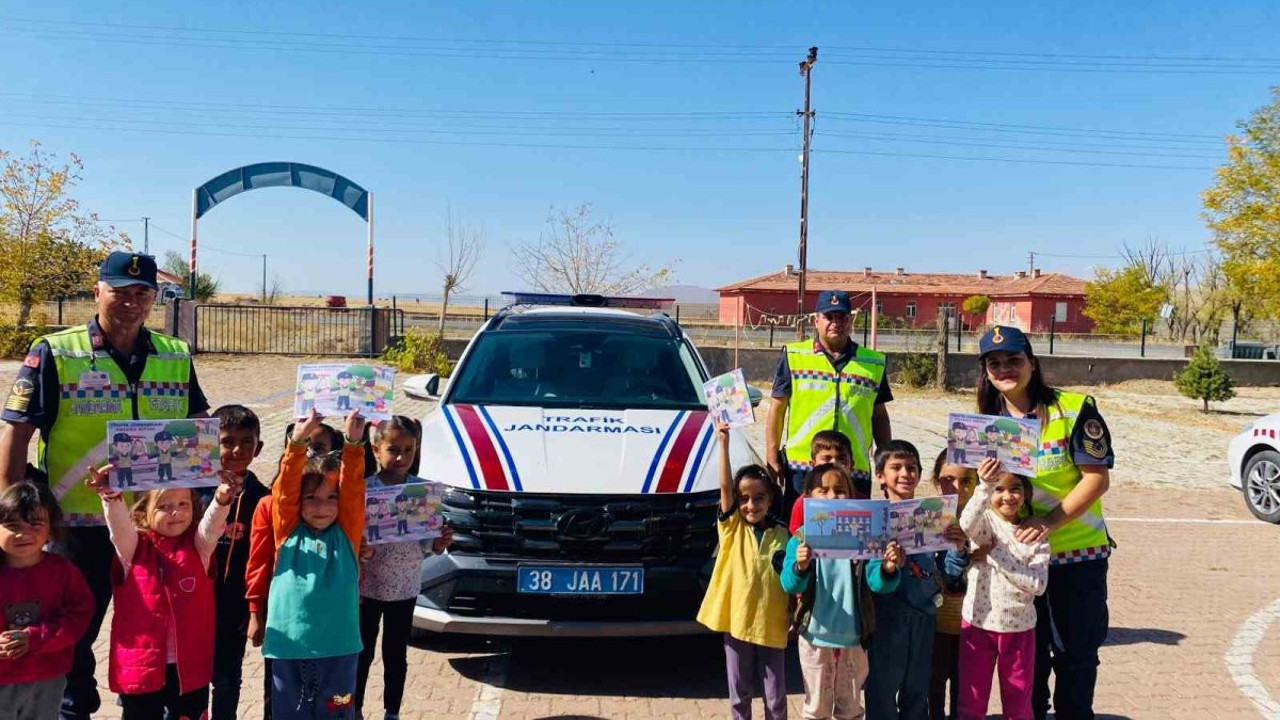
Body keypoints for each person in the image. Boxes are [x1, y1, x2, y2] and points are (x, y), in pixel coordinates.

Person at [0, 251, 210, 720]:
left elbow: (199, 425)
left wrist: (205, 491)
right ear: (97, 291)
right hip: (77, 527)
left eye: (142, 293)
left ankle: (142, 705)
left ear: (154, 298)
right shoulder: (55, 351)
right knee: (75, 631)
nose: (130, 302)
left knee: (155, 633)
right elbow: (16, 431)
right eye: (119, 291)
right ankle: (72, 710)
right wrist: (16, 515)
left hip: (157, 530)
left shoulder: (174, 355)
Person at [973, 326, 1114, 720]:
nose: (1005, 368)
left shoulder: (1073, 409)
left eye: (1013, 360)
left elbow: (1096, 478)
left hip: (1075, 557)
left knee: (1076, 658)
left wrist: (1049, 522)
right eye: (994, 363)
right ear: (985, 371)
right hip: (1016, 563)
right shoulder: (984, 423)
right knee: (1026, 667)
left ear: (1032, 363)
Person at [86, 462, 239, 720]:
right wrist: (111, 496)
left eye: (183, 505)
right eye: (164, 506)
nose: (175, 513)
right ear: (144, 512)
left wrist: (222, 500)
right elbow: (118, 527)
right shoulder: (133, 549)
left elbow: (212, 528)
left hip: (188, 668)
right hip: (141, 666)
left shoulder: (198, 548)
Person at [264, 409, 366, 720]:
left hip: (339, 648)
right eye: (311, 498)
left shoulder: (347, 531)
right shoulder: (287, 532)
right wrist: (297, 441)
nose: (322, 507)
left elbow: (352, 487)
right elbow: (284, 490)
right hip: (288, 647)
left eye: (330, 498)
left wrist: (353, 441)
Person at [781, 463, 903, 720]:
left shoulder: (865, 536)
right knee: (816, 709)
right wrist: (801, 566)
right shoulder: (800, 539)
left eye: (839, 490)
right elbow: (789, 584)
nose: (832, 496)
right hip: (815, 637)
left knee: (850, 709)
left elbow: (877, 583)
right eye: (822, 490)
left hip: (854, 638)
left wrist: (888, 568)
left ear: (851, 496)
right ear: (808, 498)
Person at [355, 417, 453, 720]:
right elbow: (352, 536)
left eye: (408, 450)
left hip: (405, 587)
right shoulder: (363, 490)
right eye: (393, 449)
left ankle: (392, 711)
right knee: (361, 653)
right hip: (366, 587)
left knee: (395, 654)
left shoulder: (421, 492)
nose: (401, 457)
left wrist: (439, 543)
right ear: (376, 449)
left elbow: (428, 546)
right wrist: (363, 551)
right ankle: (353, 707)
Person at [765, 290, 893, 511]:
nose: (836, 322)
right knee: (801, 533)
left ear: (850, 321)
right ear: (816, 320)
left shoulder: (873, 363)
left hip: (854, 468)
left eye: (841, 316)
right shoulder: (794, 356)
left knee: (852, 534)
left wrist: (886, 462)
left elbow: (879, 416)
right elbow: (777, 409)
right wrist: (771, 453)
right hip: (803, 467)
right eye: (829, 316)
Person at [697, 422, 790, 720]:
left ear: (771, 499)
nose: (751, 505)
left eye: (759, 498)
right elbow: (725, 486)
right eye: (744, 498)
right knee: (740, 694)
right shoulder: (732, 527)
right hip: (736, 620)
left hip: (772, 622)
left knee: (775, 697)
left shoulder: (784, 534)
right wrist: (722, 443)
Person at [865, 440, 963, 720]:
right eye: (896, 467)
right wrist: (890, 567)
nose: (905, 473)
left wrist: (958, 548)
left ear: (920, 474)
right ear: (880, 475)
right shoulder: (875, 519)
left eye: (911, 467)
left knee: (917, 694)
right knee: (882, 696)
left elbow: (947, 575)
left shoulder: (935, 515)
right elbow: (874, 580)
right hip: (886, 622)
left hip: (924, 620)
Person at [952, 459, 1049, 720]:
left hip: (1019, 629)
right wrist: (984, 485)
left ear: (1026, 493)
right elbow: (966, 522)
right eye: (999, 489)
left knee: (1018, 704)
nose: (1008, 496)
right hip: (978, 625)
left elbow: (1037, 585)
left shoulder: (1034, 534)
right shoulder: (985, 524)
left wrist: (996, 555)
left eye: (1015, 488)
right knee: (971, 702)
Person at [0, 481, 95, 720]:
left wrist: (37, 638)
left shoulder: (63, 572)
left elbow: (79, 615)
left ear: (51, 530)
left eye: (35, 524)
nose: (23, 533)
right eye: (12, 525)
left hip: (47, 677)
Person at [206, 405, 268, 720]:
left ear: (258, 448)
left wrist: (256, 609)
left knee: (228, 679)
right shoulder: (195, 488)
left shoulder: (263, 497)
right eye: (227, 440)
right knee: (191, 678)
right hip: (196, 601)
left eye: (247, 442)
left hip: (236, 605)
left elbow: (264, 557)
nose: (237, 449)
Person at [928, 451, 978, 720]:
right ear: (937, 481)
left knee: (966, 682)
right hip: (936, 619)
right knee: (934, 680)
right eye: (948, 479)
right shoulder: (926, 519)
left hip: (973, 619)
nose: (957, 488)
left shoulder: (987, 518)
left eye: (966, 481)